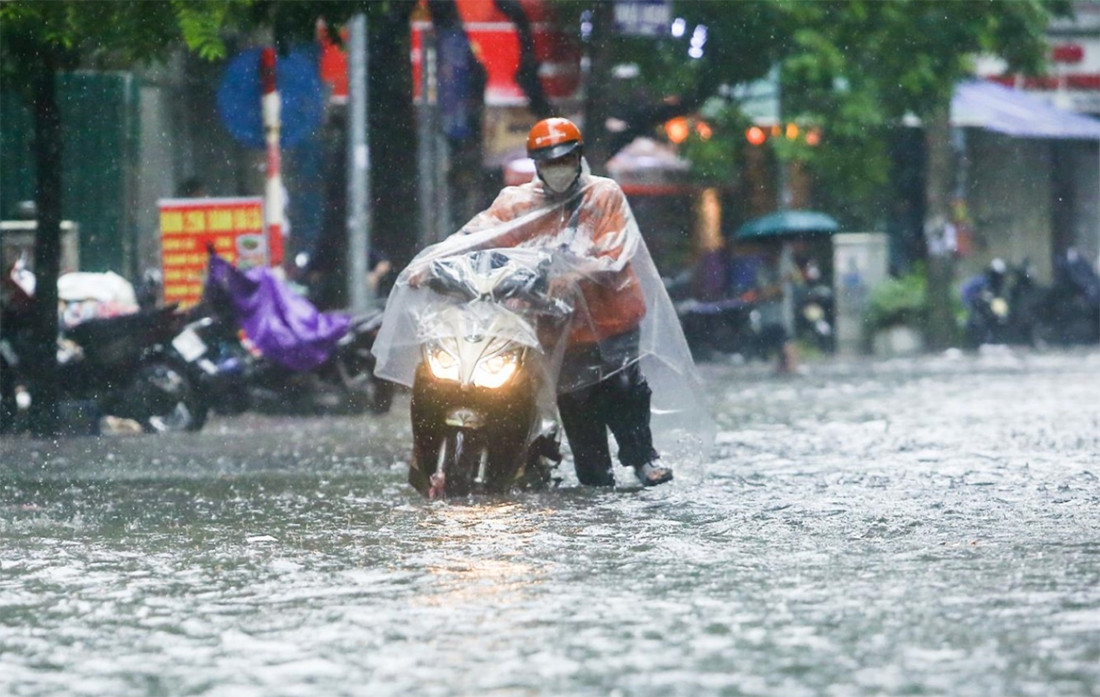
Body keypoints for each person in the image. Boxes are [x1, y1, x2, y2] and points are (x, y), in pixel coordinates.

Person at [377, 117, 712, 487]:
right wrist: (432, 263)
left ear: (578, 156)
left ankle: (642, 457)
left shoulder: (604, 195)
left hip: (610, 318)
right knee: (575, 403)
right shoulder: (518, 202)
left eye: (564, 159)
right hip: (555, 325)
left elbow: (613, 252)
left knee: (621, 389)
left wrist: (571, 276)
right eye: (548, 162)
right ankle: (592, 475)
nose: (557, 169)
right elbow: (478, 233)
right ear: (536, 165)